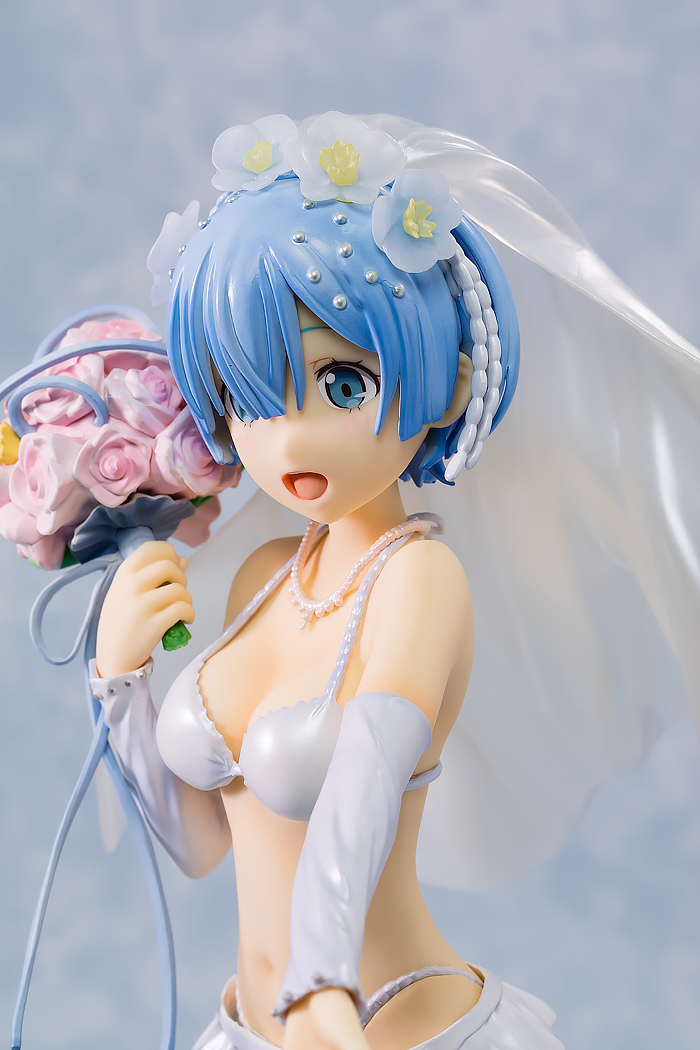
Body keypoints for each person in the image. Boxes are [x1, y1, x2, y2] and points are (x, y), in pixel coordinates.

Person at [64, 112, 700, 1049]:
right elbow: (201, 847)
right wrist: (118, 682)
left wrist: (321, 986)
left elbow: (364, 782)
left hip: (386, 1025)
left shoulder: (418, 581)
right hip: (251, 1030)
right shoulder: (264, 579)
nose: (290, 438)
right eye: (249, 396)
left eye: (343, 386)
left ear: (444, 387)